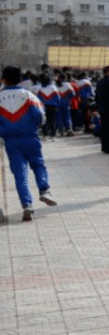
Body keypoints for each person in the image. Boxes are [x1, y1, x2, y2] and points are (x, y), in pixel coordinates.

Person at [0, 65, 57, 221]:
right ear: (20, 80)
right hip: (30, 138)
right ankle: (44, 190)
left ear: (3, 79)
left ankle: (27, 205)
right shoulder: (29, 96)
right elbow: (40, 116)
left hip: (11, 141)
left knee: (20, 173)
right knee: (38, 165)